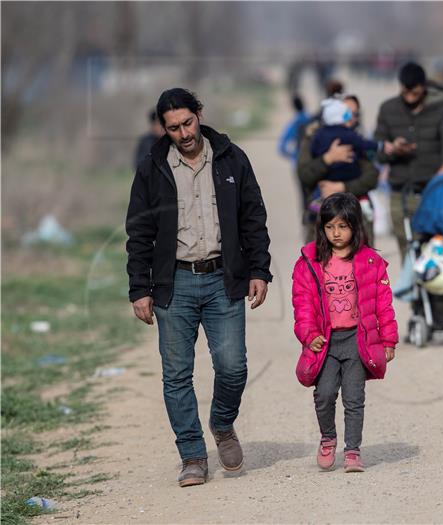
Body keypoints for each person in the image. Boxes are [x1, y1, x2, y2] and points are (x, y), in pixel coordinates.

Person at [125, 88, 272, 487]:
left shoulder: (230, 158)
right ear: (163, 128)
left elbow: (253, 217)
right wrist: (140, 288)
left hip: (223, 280)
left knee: (233, 367)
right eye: (173, 127)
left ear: (199, 116)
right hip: (173, 284)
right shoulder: (152, 167)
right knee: (176, 376)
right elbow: (139, 231)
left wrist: (259, 269)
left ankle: (222, 424)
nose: (183, 133)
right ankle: (192, 456)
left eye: (188, 123)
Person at [291, 193, 398, 473]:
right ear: (322, 227)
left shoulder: (370, 262)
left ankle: (352, 451)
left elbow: (383, 304)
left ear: (355, 226)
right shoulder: (310, 262)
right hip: (325, 342)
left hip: (356, 340)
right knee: (324, 394)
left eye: (343, 226)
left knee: (354, 397)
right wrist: (308, 334)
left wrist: (388, 340)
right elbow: (302, 304)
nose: (336, 233)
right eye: (330, 227)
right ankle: (328, 438)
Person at [374, 61, 443, 256]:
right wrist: (393, 148)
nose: (411, 98)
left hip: (431, 191)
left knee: (434, 248)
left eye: (416, 93)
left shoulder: (442, 107)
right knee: (406, 249)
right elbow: (377, 149)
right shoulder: (388, 110)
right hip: (399, 193)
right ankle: (411, 284)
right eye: (406, 93)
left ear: (424, 88)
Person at [297, 95, 380, 243]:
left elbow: (372, 176)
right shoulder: (314, 138)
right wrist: (327, 159)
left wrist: (343, 187)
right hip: (321, 220)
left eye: (355, 114)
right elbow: (304, 175)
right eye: (347, 113)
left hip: (357, 220)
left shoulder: (355, 141)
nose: (351, 118)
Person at [277, 94, 311, 162]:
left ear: (293, 107)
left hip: (298, 161)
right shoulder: (312, 120)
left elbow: (282, 147)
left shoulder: (294, 124)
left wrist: (294, 155)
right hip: (312, 160)